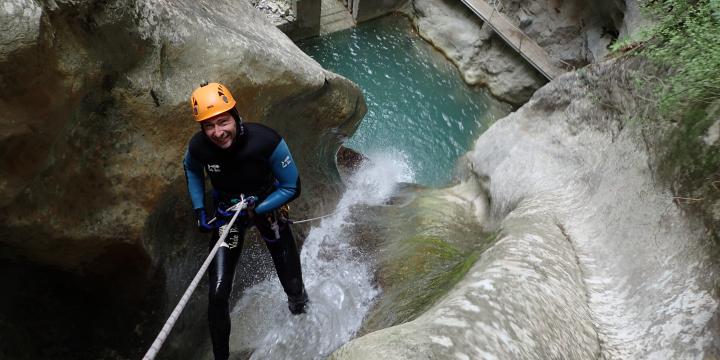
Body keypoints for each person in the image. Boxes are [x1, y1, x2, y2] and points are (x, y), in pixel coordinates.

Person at [182, 82, 309, 360]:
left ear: (235, 115)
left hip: (267, 207)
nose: (218, 132)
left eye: (223, 121)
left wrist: (259, 206)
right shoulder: (200, 147)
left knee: (293, 286)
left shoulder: (265, 140)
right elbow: (191, 167)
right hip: (229, 215)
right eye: (209, 126)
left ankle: (301, 315)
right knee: (217, 295)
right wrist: (200, 210)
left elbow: (292, 187)